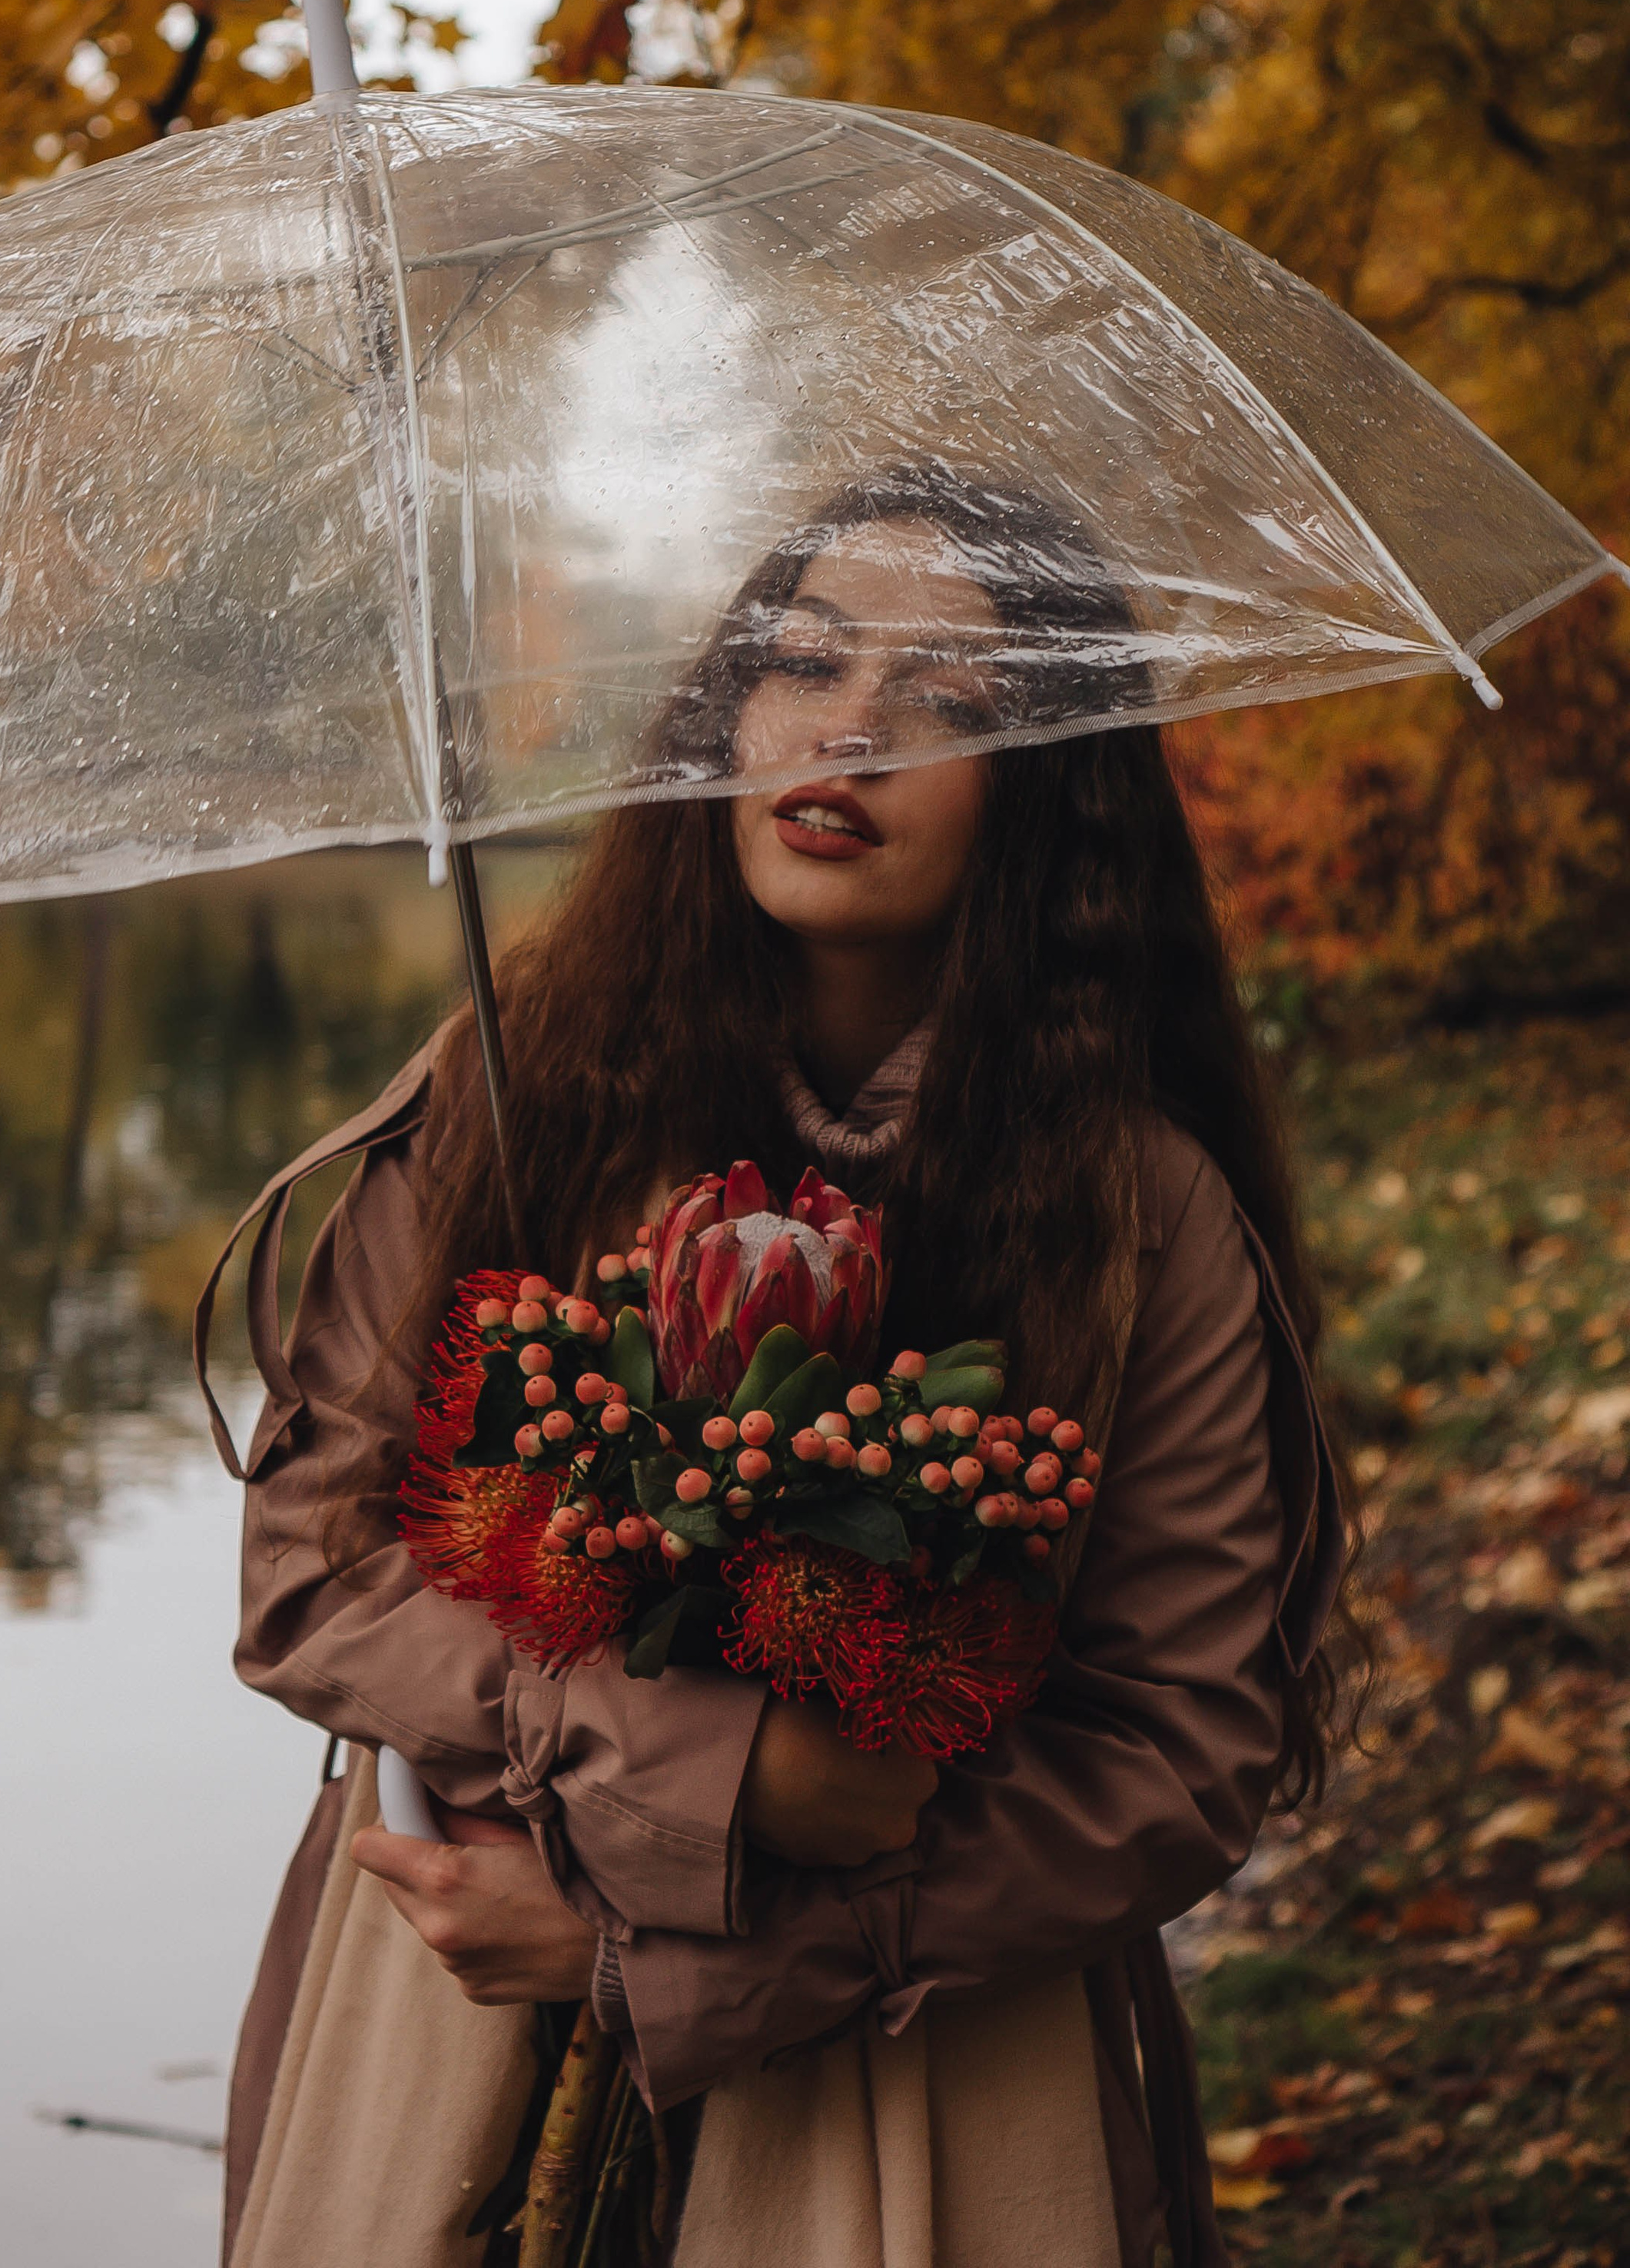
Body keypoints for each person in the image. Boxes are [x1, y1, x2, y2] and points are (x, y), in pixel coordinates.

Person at [196, 468, 1351, 2268]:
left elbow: (1178, 1748)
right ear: (722, 717)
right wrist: (702, 1771)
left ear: (1052, 788)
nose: (849, 731)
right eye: (800, 663)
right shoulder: (513, 1093)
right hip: (452, 1985)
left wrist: (687, 1962)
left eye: (947, 700)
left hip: (917, 2057)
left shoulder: (1136, 1211)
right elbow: (305, 1579)